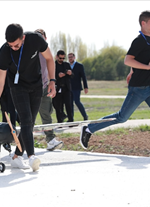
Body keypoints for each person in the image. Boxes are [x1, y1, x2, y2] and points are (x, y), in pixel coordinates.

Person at [0, 24, 56, 171]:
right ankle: (31, 156)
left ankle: (16, 156)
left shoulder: (35, 39)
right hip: (17, 87)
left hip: (36, 85)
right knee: (25, 119)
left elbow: (49, 58)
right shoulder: (5, 51)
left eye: (16, 45)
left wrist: (52, 81)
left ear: (23, 38)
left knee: (30, 124)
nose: (14, 48)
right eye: (11, 45)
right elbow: (0, 81)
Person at [81, 10, 150, 149]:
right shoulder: (139, 41)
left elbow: (139, 59)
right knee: (121, 117)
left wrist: (133, 70)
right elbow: (128, 60)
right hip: (138, 89)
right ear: (144, 23)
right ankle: (89, 129)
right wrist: (146, 68)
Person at [35, 29, 63, 151]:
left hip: (45, 87)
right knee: (28, 116)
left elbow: (52, 68)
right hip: (33, 88)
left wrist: (53, 83)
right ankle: (24, 142)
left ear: (45, 39)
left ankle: (50, 140)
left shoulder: (48, 52)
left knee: (47, 115)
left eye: (41, 37)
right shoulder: (31, 52)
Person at [52, 50, 73, 123]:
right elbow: (50, 76)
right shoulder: (53, 65)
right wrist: (58, 76)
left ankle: (71, 120)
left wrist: (70, 73)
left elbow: (72, 76)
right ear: (57, 57)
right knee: (58, 106)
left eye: (63, 58)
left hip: (66, 88)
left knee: (68, 105)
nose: (62, 60)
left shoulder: (66, 65)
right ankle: (60, 121)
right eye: (60, 58)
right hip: (57, 88)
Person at [68, 52, 89, 120]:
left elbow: (84, 77)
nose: (70, 58)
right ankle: (71, 119)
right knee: (70, 103)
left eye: (71, 57)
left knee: (77, 101)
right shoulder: (67, 66)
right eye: (69, 57)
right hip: (68, 88)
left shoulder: (79, 66)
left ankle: (85, 116)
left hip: (76, 87)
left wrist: (86, 87)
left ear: (74, 57)